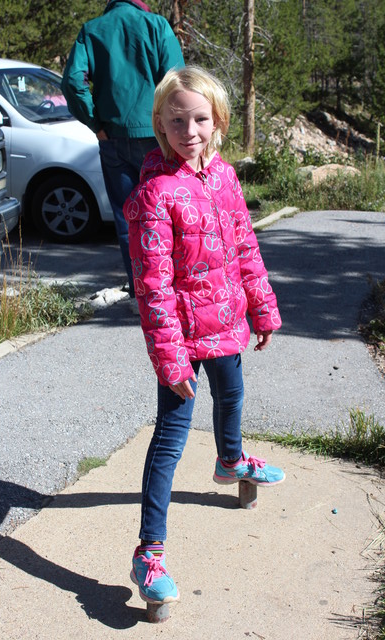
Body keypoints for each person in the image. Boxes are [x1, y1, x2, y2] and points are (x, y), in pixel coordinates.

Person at [124, 66, 286, 605]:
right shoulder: (155, 195)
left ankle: (230, 460)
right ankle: (149, 552)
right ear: (160, 126)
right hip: (181, 339)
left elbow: (245, 249)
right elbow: (153, 287)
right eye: (176, 120)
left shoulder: (225, 178)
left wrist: (261, 309)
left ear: (217, 121)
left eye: (199, 118)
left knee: (233, 396)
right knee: (169, 442)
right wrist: (170, 361)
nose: (189, 130)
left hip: (227, 326)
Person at [61, 0, 184, 308]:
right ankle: (174, 289)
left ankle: (142, 294)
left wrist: (95, 124)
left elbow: (73, 82)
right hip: (158, 137)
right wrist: (173, 127)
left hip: (112, 137)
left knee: (128, 219)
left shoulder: (92, 30)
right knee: (170, 212)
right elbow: (178, 82)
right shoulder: (156, 25)